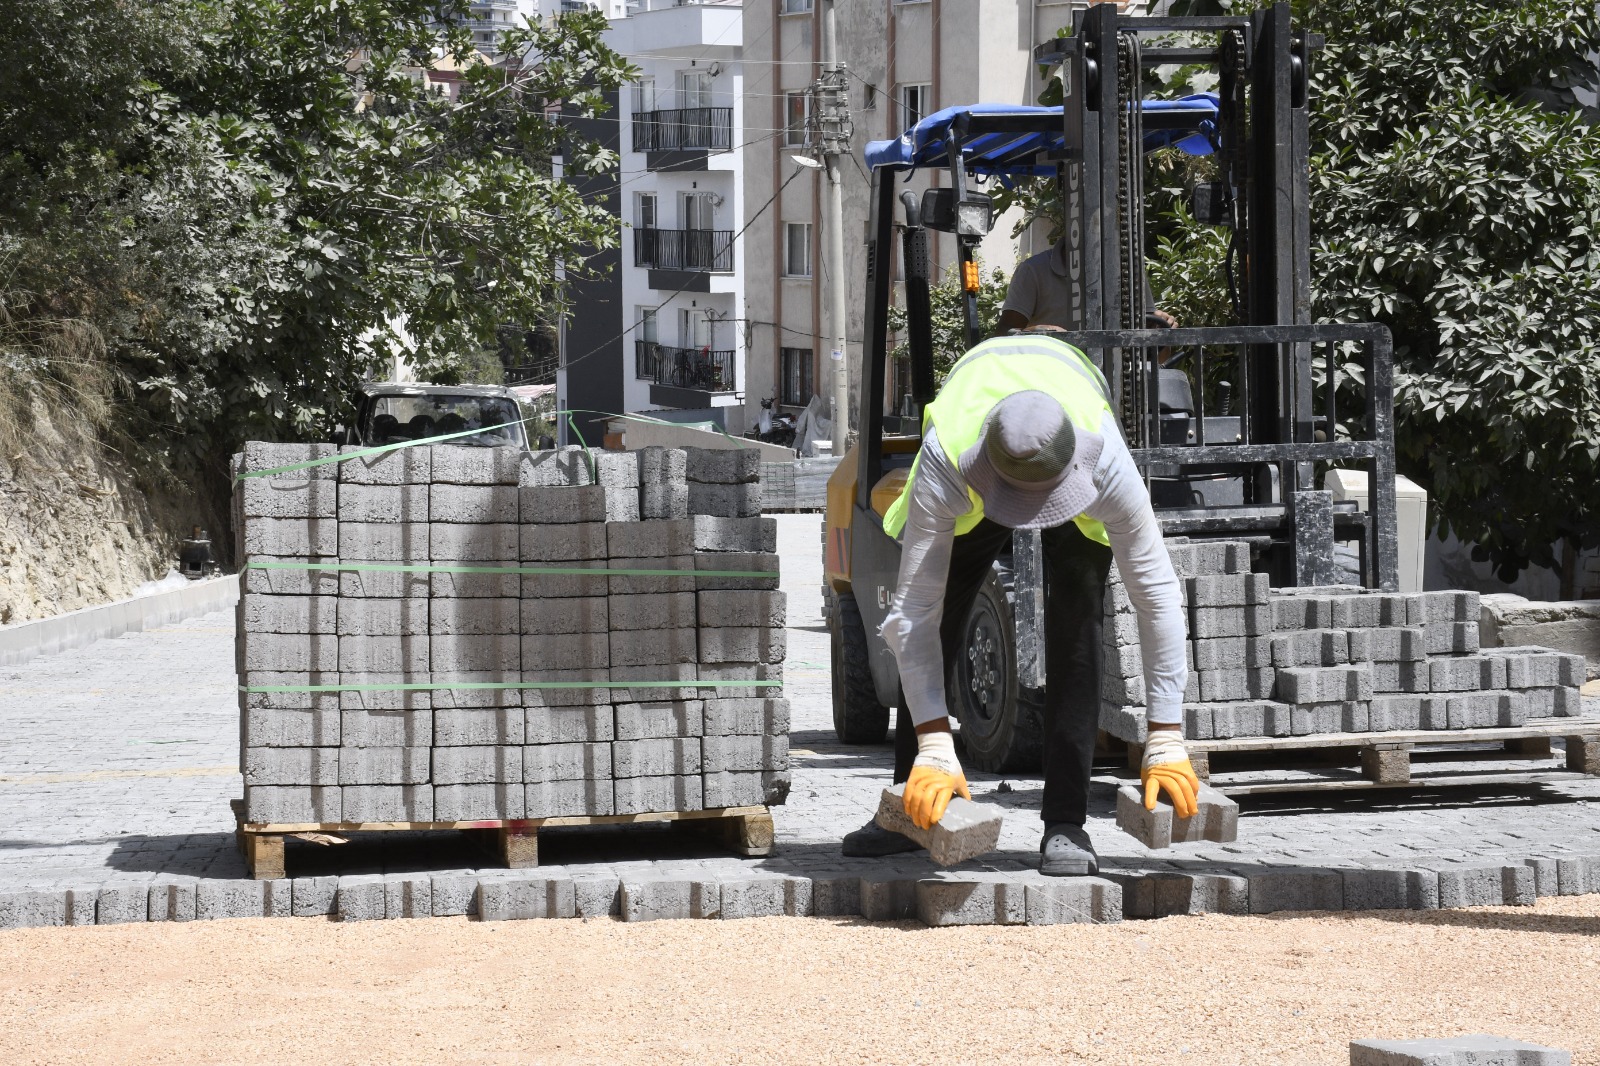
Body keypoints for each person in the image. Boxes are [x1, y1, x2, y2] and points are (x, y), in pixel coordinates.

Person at [840, 326, 1198, 876]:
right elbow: (912, 614)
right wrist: (936, 741)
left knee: (1076, 629)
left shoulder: (1104, 460)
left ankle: (1066, 825)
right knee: (936, 627)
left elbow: (1157, 595)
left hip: (1066, 428)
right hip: (975, 467)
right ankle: (910, 806)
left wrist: (1167, 734)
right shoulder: (949, 459)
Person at [996, 237, 1176, 339]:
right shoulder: (1034, 271)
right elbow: (1003, 336)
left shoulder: (1127, 270)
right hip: (1050, 377)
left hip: (1114, 380)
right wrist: (1038, 333)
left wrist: (1163, 333)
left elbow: (1156, 357)